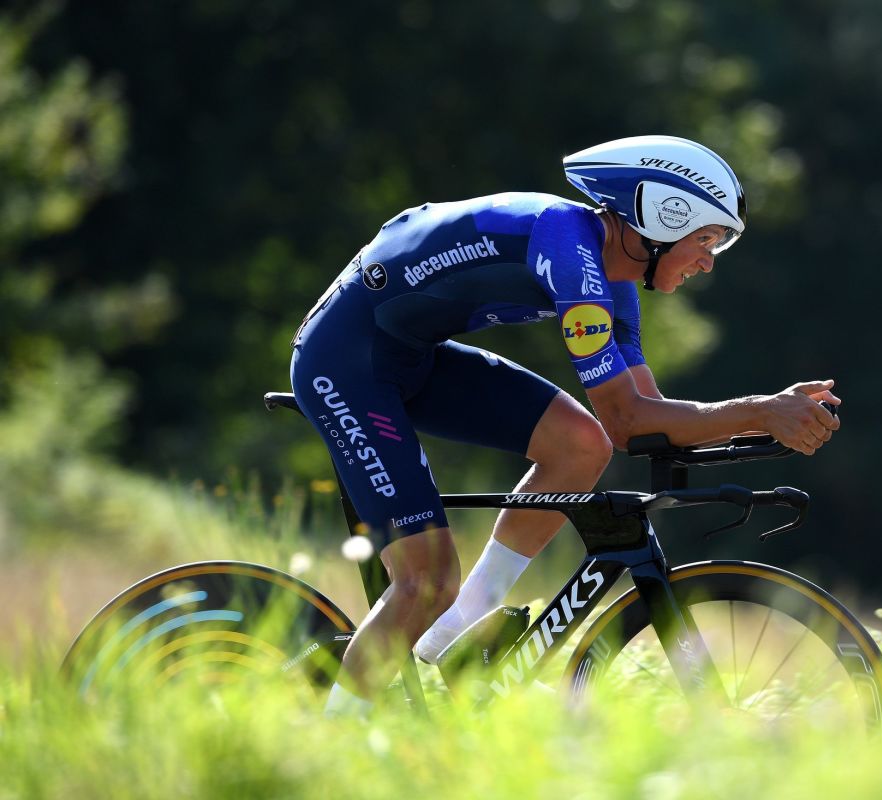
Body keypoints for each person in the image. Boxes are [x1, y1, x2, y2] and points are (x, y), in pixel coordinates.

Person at [290, 135, 841, 716]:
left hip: (411, 356)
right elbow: (628, 420)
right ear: (662, 217)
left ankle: (448, 641)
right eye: (706, 240)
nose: (709, 261)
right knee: (425, 580)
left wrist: (762, 423)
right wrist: (759, 410)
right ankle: (331, 743)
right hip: (345, 362)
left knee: (579, 445)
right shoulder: (570, 250)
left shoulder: (613, 277)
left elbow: (648, 418)